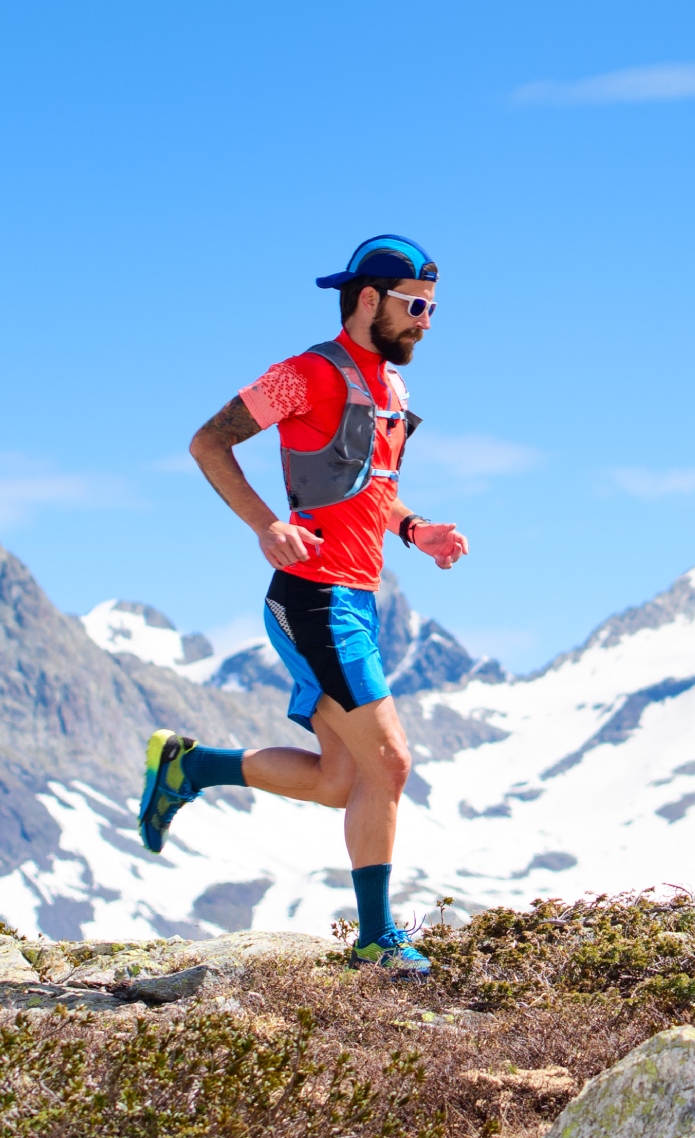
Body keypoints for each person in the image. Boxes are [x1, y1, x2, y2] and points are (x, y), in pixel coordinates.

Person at [137, 234, 468, 976]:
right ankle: (378, 942)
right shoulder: (303, 374)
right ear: (369, 299)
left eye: (435, 310)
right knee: (391, 762)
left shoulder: (393, 391)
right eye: (416, 306)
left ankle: (188, 770)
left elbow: (367, 489)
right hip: (313, 599)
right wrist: (265, 524)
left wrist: (417, 529)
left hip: (357, 598)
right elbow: (208, 441)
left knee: (339, 780)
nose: (426, 321)